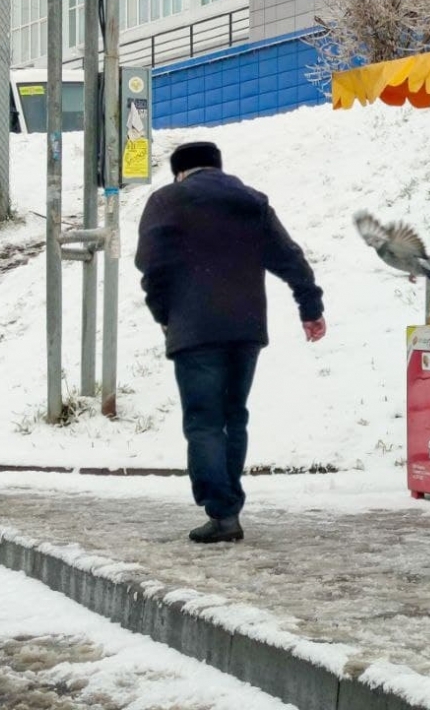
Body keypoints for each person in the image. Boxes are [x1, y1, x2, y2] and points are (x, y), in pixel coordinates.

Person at [135, 141, 326, 544]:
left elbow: (151, 265)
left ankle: (222, 513)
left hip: (195, 329)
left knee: (204, 421)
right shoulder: (250, 201)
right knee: (233, 416)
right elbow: (289, 257)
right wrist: (310, 306)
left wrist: (164, 314)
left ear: (181, 172)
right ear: (217, 167)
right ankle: (229, 507)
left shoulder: (167, 200)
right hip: (245, 329)